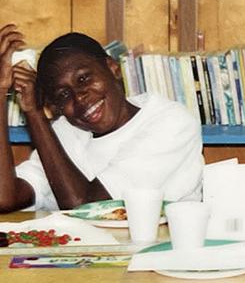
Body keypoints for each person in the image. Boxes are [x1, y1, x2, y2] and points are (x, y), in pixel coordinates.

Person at [0, 25, 203, 212]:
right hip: (82, 250)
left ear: (113, 68)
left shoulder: (171, 122)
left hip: (155, 250)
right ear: (56, 107)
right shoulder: (64, 133)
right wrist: (0, 92)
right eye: (63, 95)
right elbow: (5, 199)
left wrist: (35, 114)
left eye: (83, 79)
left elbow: (88, 208)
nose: (79, 97)